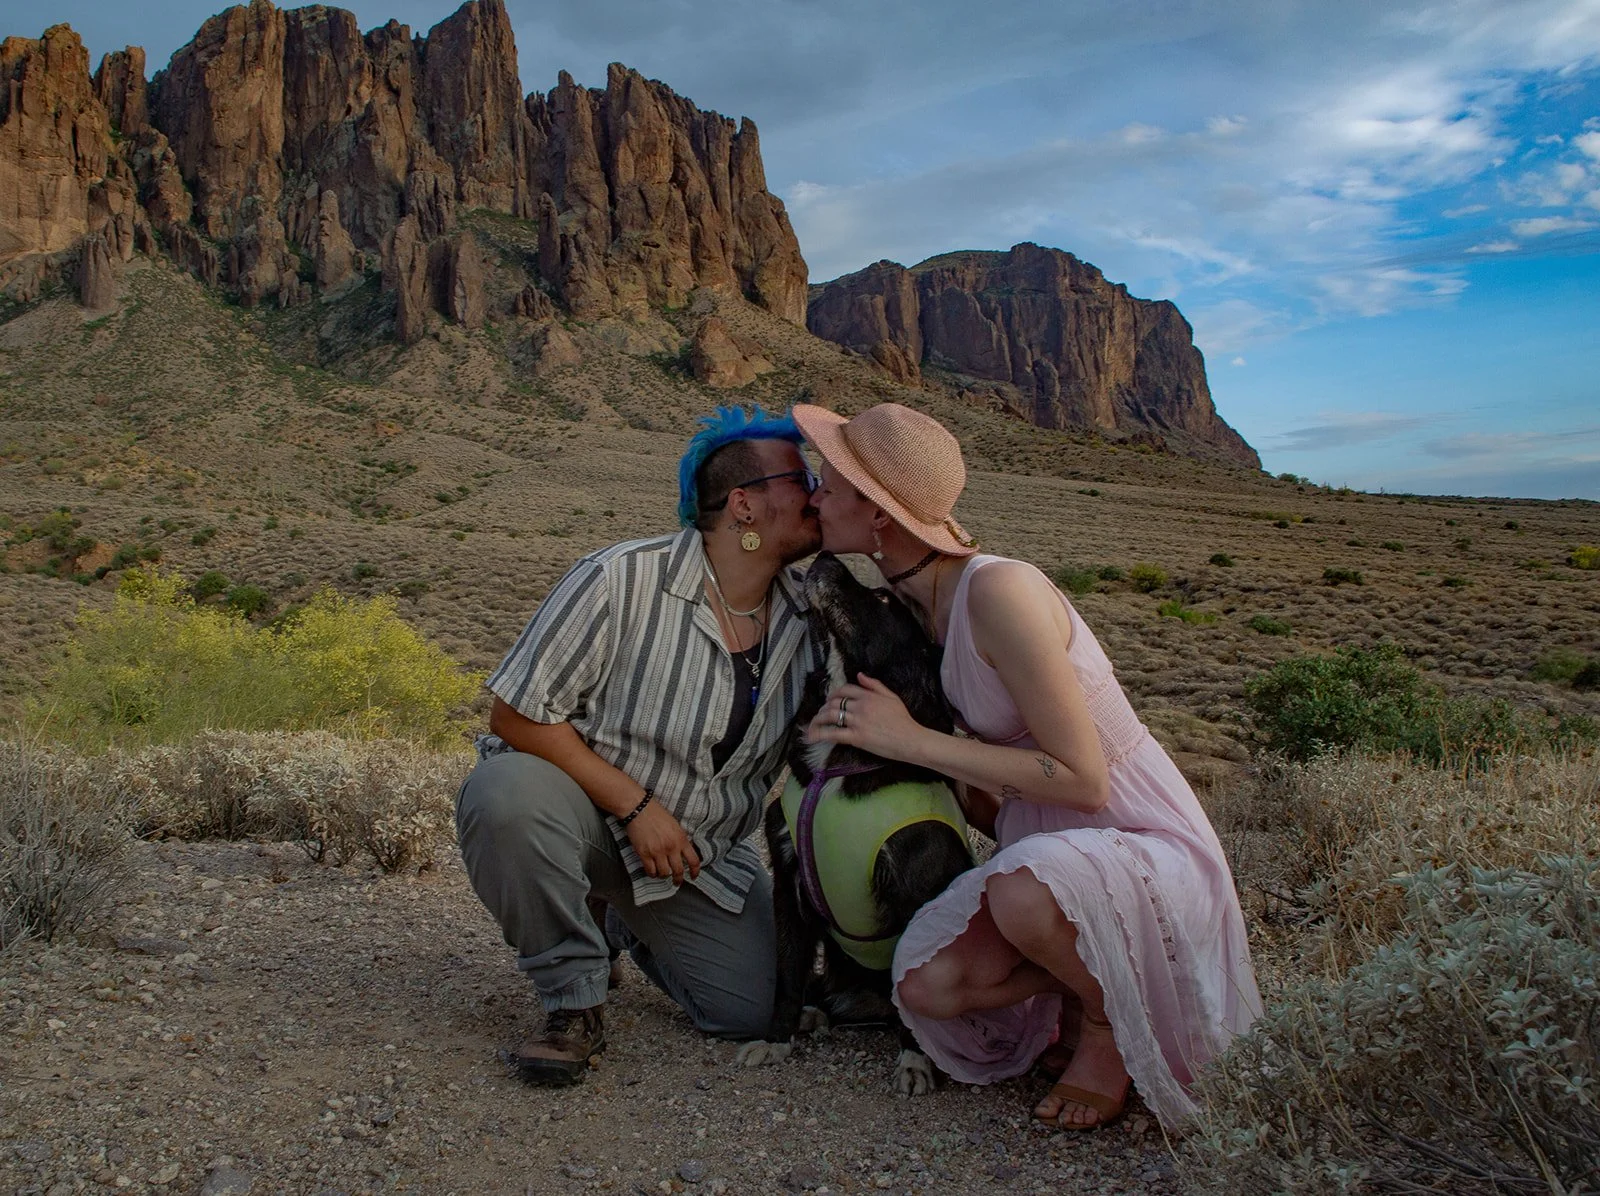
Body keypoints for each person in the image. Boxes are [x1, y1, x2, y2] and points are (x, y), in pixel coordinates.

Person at [791, 401, 1261, 1130]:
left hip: (1136, 837)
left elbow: (1085, 781)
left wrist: (907, 741)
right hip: (1043, 846)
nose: (814, 499)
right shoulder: (918, 611)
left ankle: (1106, 1025)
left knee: (1019, 895)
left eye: (828, 485)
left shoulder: (1001, 590)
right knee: (926, 985)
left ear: (878, 515)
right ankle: (1085, 983)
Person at [455, 406, 822, 1086]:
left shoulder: (809, 619)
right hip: (594, 818)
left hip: (694, 856)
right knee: (502, 797)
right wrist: (636, 806)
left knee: (759, 1008)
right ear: (743, 505)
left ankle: (617, 923)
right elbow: (515, 716)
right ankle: (573, 1000)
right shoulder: (620, 578)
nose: (818, 493)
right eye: (801, 478)